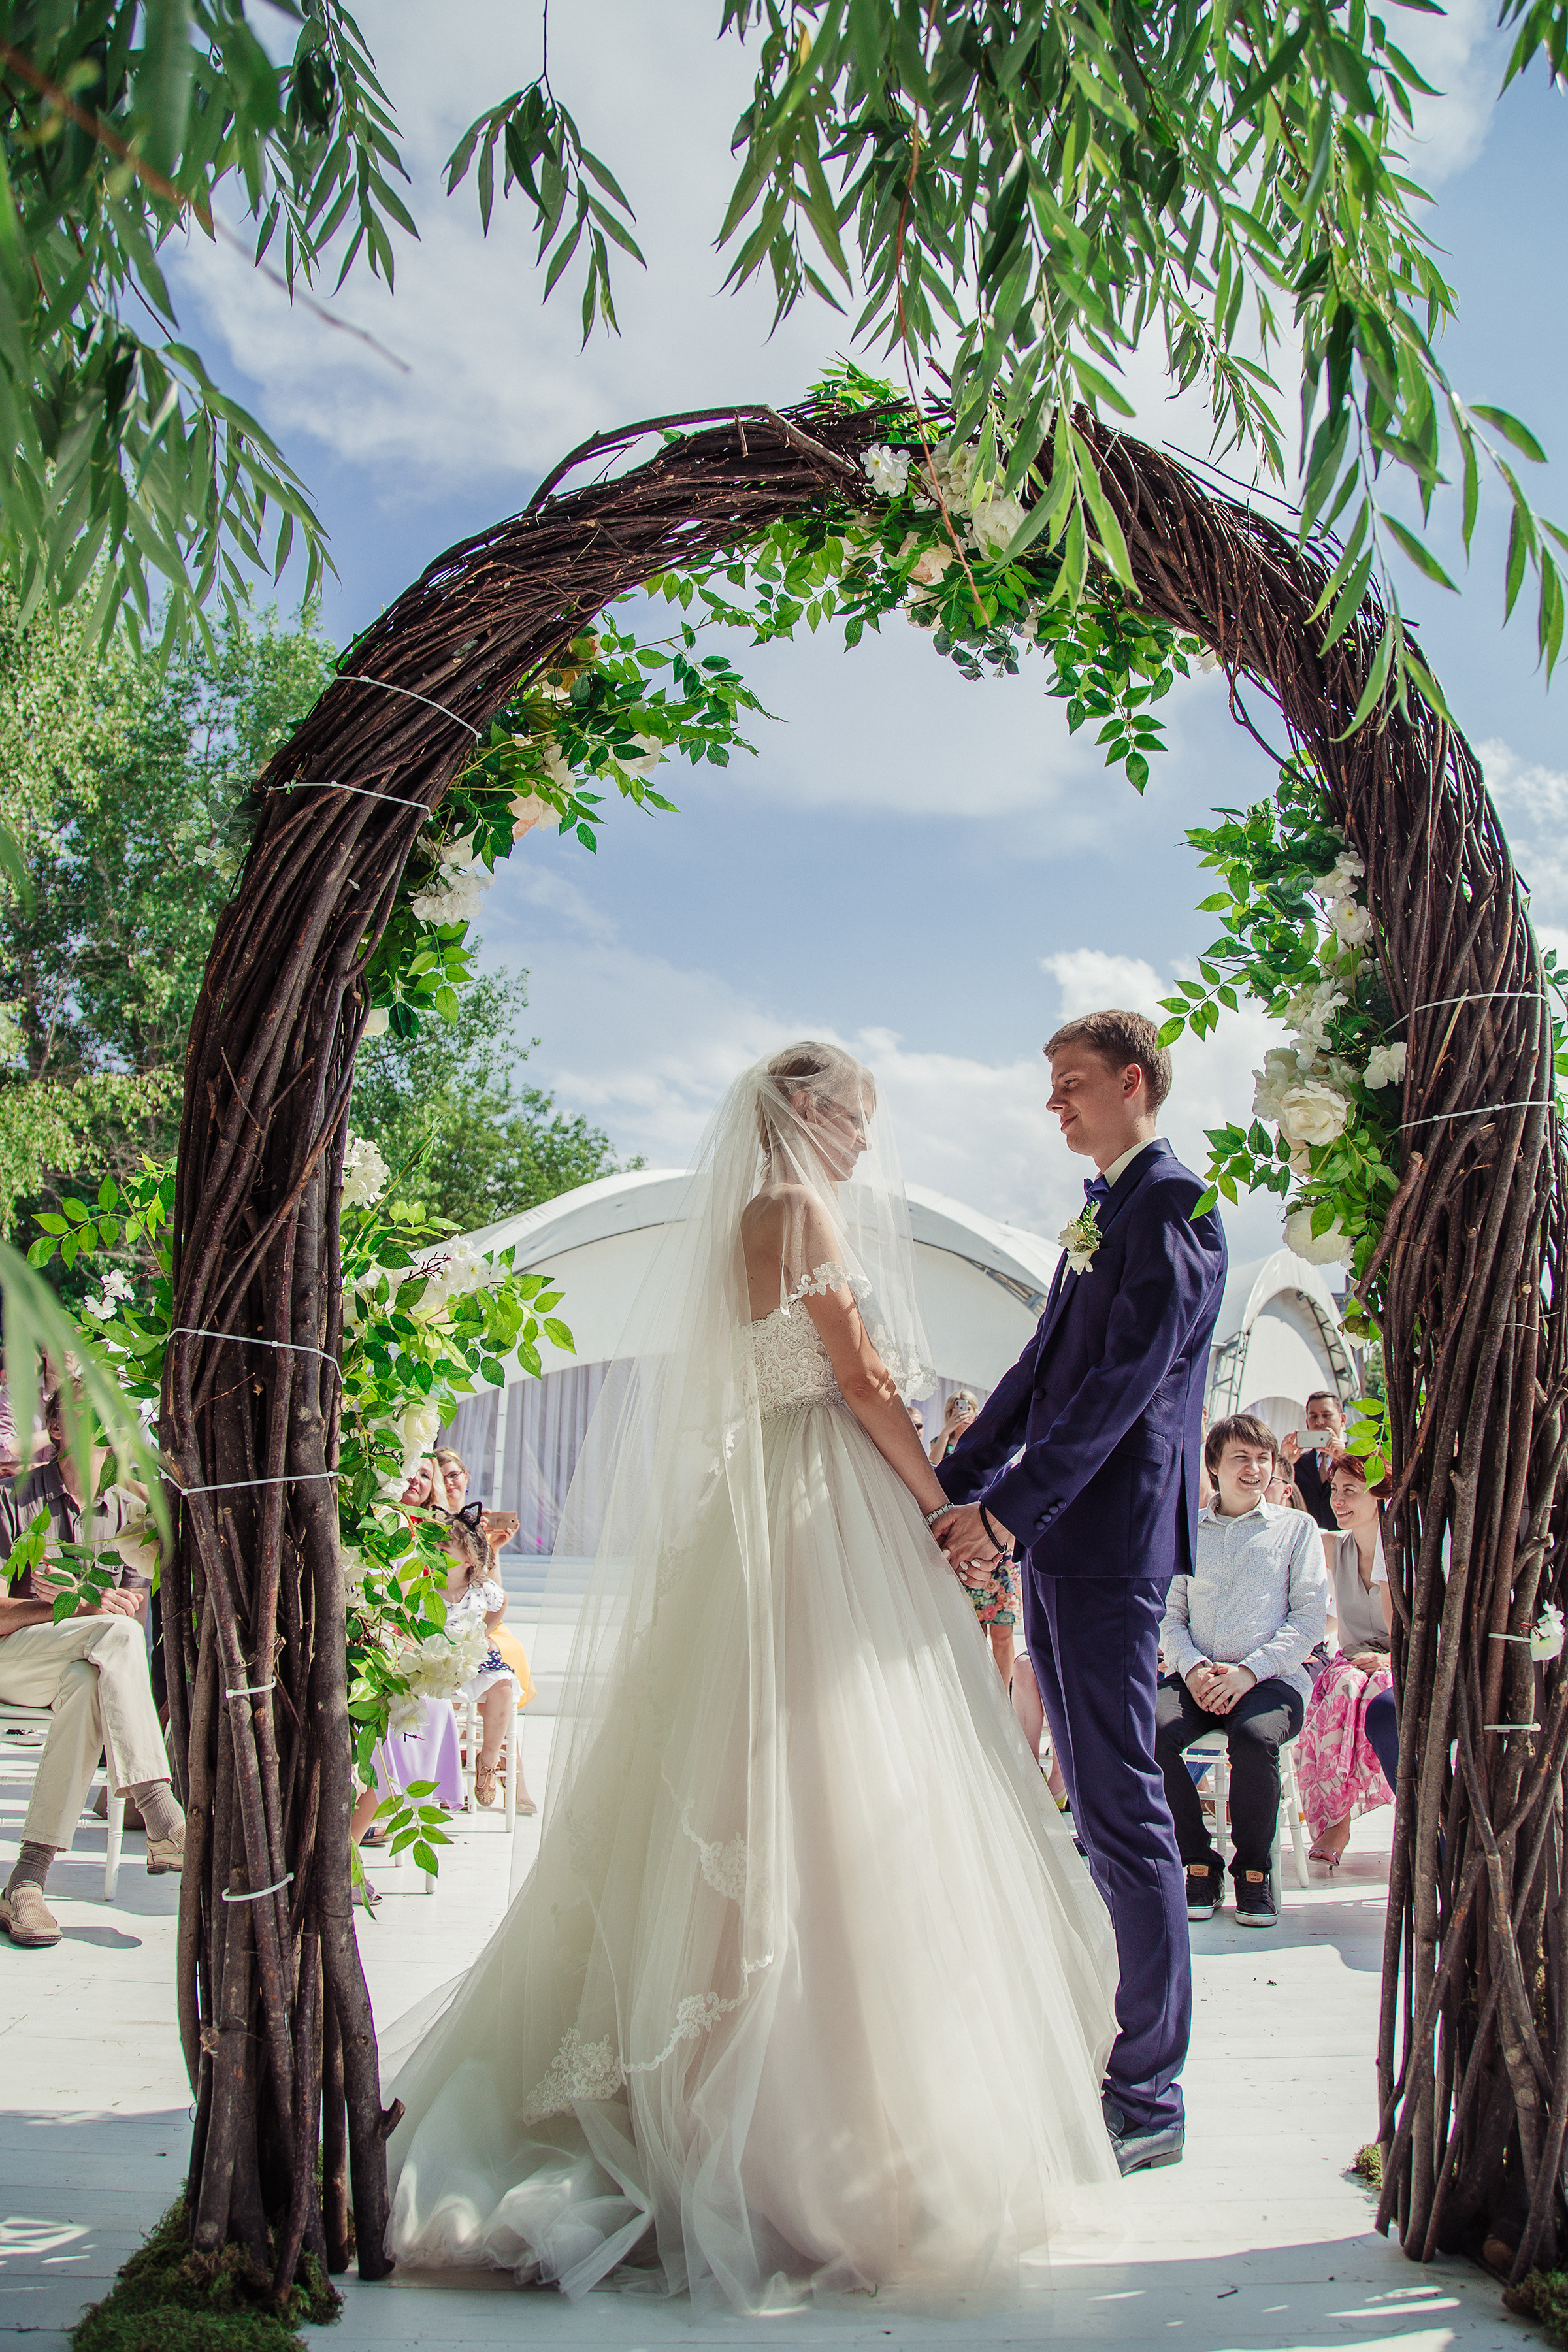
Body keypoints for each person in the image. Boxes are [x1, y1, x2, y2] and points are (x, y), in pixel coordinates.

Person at [384, 1042, 1120, 2309]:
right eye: (854, 1118)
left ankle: (771, 2096)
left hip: (774, 1502)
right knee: (833, 1791)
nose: (864, 1143)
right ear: (807, 1112)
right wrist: (950, 1513)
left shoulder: (750, 1217)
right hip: (824, 1506)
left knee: (772, 1786)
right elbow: (865, 1382)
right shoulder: (797, 1207)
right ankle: (807, 2135)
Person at [934, 1008, 1227, 2177]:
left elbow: (1120, 1390)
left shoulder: (1179, 1207)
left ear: (1136, 1081)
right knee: (1092, 1815)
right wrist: (942, 1482)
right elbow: (1038, 1371)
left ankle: (1149, 2092)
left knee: (1121, 1813)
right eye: (1050, 1084)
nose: (1052, 1103)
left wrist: (1003, 1513)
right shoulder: (1100, 1212)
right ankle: (1120, 2060)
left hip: (1108, 1548)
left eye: (1071, 1083)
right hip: (1057, 1542)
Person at [0, 1384, 186, 1947]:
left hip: (84, 1663)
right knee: (115, 1635)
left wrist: (120, 1606)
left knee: (91, 1676)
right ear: (55, 1432)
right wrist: (65, 1605)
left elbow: (129, 1610)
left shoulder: (133, 1515)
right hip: (14, 1658)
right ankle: (158, 1810)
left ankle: (27, 1881)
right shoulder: (12, 1498)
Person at [1154, 1414, 1327, 1928]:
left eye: (1263, 1459)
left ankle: (1253, 1872)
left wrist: (1248, 1674)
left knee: (1253, 1738)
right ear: (1214, 1466)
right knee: (1148, 1732)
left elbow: (1309, 1619)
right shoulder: (1186, 1529)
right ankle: (1199, 1862)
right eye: (1241, 1458)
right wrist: (1195, 1668)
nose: (1254, 1469)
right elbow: (1170, 1615)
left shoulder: (1296, 1529)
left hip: (1271, 1680)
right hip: (1198, 1676)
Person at [1296, 1451, 1394, 1864]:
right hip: (1353, 1662)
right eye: (1335, 1490)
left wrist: (1391, 1663)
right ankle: (1337, 1818)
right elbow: (1291, 1527)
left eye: (1350, 1491)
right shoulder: (1337, 1547)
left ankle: (1343, 1820)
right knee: (1343, 1683)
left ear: (1379, 1498)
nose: (1338, 1500)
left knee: (1363, 1689)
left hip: (1403, 1664)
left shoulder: (1403, 1549)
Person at [1281, 1391, 1346, 1533]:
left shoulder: (1357, 1458)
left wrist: (1345, 1459)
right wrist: (1284, 1461)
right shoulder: (1297, 1463)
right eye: (1313, 1416)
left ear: (1343, 1419)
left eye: (1327, 1415)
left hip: (1348, 1542)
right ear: (1307, 1422)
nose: (1320, 1422)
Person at [928, 1387, 979, 1465]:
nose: (963, 1413)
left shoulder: (979, 1439)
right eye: (957, 1409)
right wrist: (946, 1432)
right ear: (950, 1412)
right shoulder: (940, 1440)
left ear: (975, 1412)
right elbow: (933, 1464)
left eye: (968, 1409)